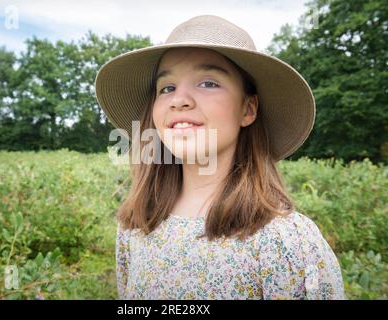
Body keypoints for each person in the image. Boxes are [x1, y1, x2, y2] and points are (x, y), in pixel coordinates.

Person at [95, 15, 346, 300]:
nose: (180, 99)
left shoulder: (286, 241)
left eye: (208, 83)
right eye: (167, 88)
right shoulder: (135, 227)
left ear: (248, 109)